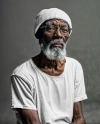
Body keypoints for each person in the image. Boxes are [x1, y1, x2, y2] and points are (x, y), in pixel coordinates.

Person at [11, 8, 88, 124]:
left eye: (64, 30)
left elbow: (79, 118)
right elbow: (33, 123)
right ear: (39, 34)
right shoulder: (22, 74)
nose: (58, 35)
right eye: (51, 28)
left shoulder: (74, 67)